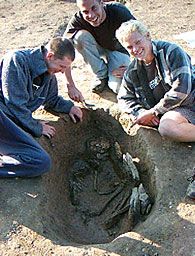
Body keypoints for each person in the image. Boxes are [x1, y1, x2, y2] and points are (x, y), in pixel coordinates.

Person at [116, 20, 195, 199]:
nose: (135, 49)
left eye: (138, 42)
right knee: (166, 128)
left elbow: (183, 89)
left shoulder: (171, 51)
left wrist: (154, 111)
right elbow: (123, 99)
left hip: (191, 97)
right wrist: (141, 113)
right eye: (129, 47)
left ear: (148, 36)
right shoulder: (133, 71)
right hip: (181, 112)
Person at [0, 37, 83, 178]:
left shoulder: (50, 75)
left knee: (41, 162)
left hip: (10, 123)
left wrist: (69, 107)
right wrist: (36, 127)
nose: (63, 72)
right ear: (50, 56)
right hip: (3, 117)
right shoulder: (16, 60)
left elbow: (51, 100)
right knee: (40, 161)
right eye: (62, 66)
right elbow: (15, 105)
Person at [63, 0, 136, 101]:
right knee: (79, 37)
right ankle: (101, 75)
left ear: (102, 3)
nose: (91, 15)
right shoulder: (78, 19)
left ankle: (111, 74)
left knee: (118, 87)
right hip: (97, 48)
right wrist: (70, 86)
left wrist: (134, 68)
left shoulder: (118, 11)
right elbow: (63, 50)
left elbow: (140, 38)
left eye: (94, 8)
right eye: (85, 12)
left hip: (118, 50)